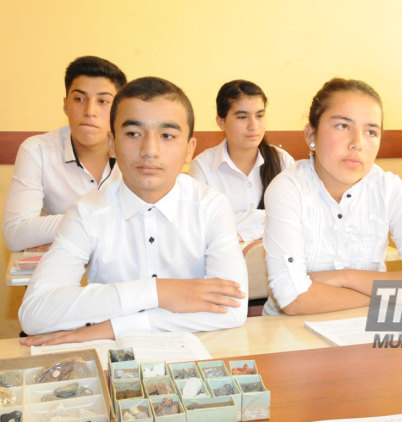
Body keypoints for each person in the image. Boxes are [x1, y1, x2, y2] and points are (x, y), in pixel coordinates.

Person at [19, 77, 248, 345]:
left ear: (189, 149)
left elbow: (231, 310)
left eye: (167, 136)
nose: (149, 150)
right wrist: (158, 291)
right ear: (112, 143)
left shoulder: (211, 206)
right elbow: (35, 314)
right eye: (132, 134)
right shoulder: (87, 211)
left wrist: (114, 327)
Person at [262, 78, 402, 315]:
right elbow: (294, 299)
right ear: (311, 134)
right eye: (342, 126)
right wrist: (386, 297)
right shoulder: (288, 188)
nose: (357, 143)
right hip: (291, 336)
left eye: (371, 131)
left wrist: (345, 278)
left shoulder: (390, 189)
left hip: (367, 334)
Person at [3, 56, 126, 252]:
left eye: (103, 101)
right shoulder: (37, 151)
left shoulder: (134, 151)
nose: (90, 111)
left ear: (118, 110)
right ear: (65, 105)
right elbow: (16, 233)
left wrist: (69, 228)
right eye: (79, 99)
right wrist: (107, 219)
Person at [188, 80, 294, 242]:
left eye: (259, 115)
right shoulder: (202, 167)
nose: (253, 126)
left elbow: (296, 217)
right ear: (221, 122)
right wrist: (268, 217)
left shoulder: (282, 160)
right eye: (242, 117)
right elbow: (203, 227)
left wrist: (239, 229)